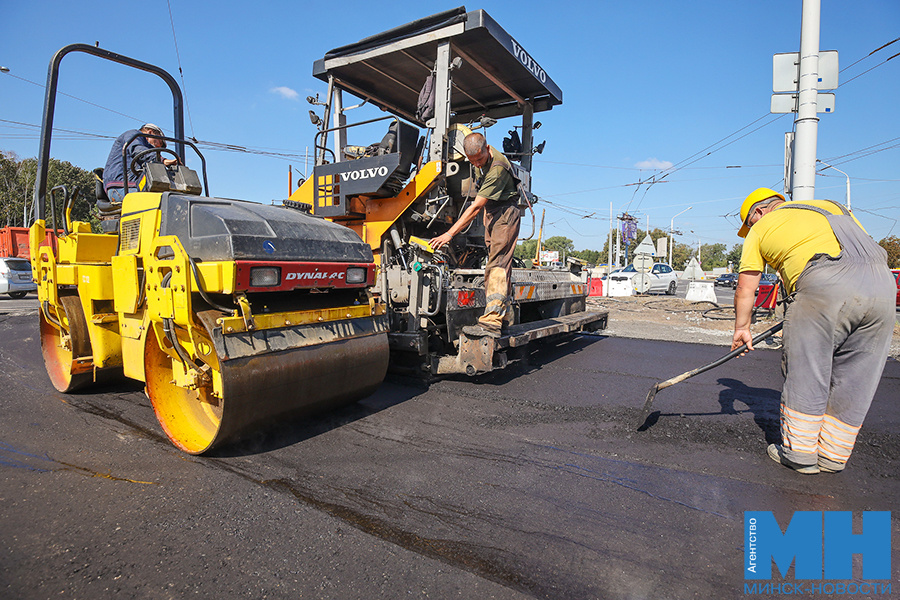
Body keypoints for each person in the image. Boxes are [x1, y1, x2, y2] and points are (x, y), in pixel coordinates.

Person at [731, 187, 895, 475]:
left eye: (750, 224)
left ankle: (800, 455)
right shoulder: (833, 206)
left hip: (822, 286)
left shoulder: (761, 228)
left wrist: (742, 328)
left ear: (757, 213)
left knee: (808, 370)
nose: (752, 229)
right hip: (883, 287)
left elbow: (747, 286)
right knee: (857, 376)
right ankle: (833, 456)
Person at [429, 132, 521, 338]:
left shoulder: (497, 168)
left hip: (505, 214)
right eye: (472, 161)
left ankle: (492, 320)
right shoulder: (481, 162)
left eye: (479, 159)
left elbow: (476, 207)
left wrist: (449, 234)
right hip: (495, 213)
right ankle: (502, 318)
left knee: (497, 265)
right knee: (497, 265)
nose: (477, 164)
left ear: (487, 149)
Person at [103, 123, 177, 202]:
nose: (159, 147)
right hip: (121, 187)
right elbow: (138, 151)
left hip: (133, 186)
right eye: (159, 142)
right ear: (150, 133)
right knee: (162, 200)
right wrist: (163, 160)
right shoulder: (134, 135)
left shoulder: (145, 156)